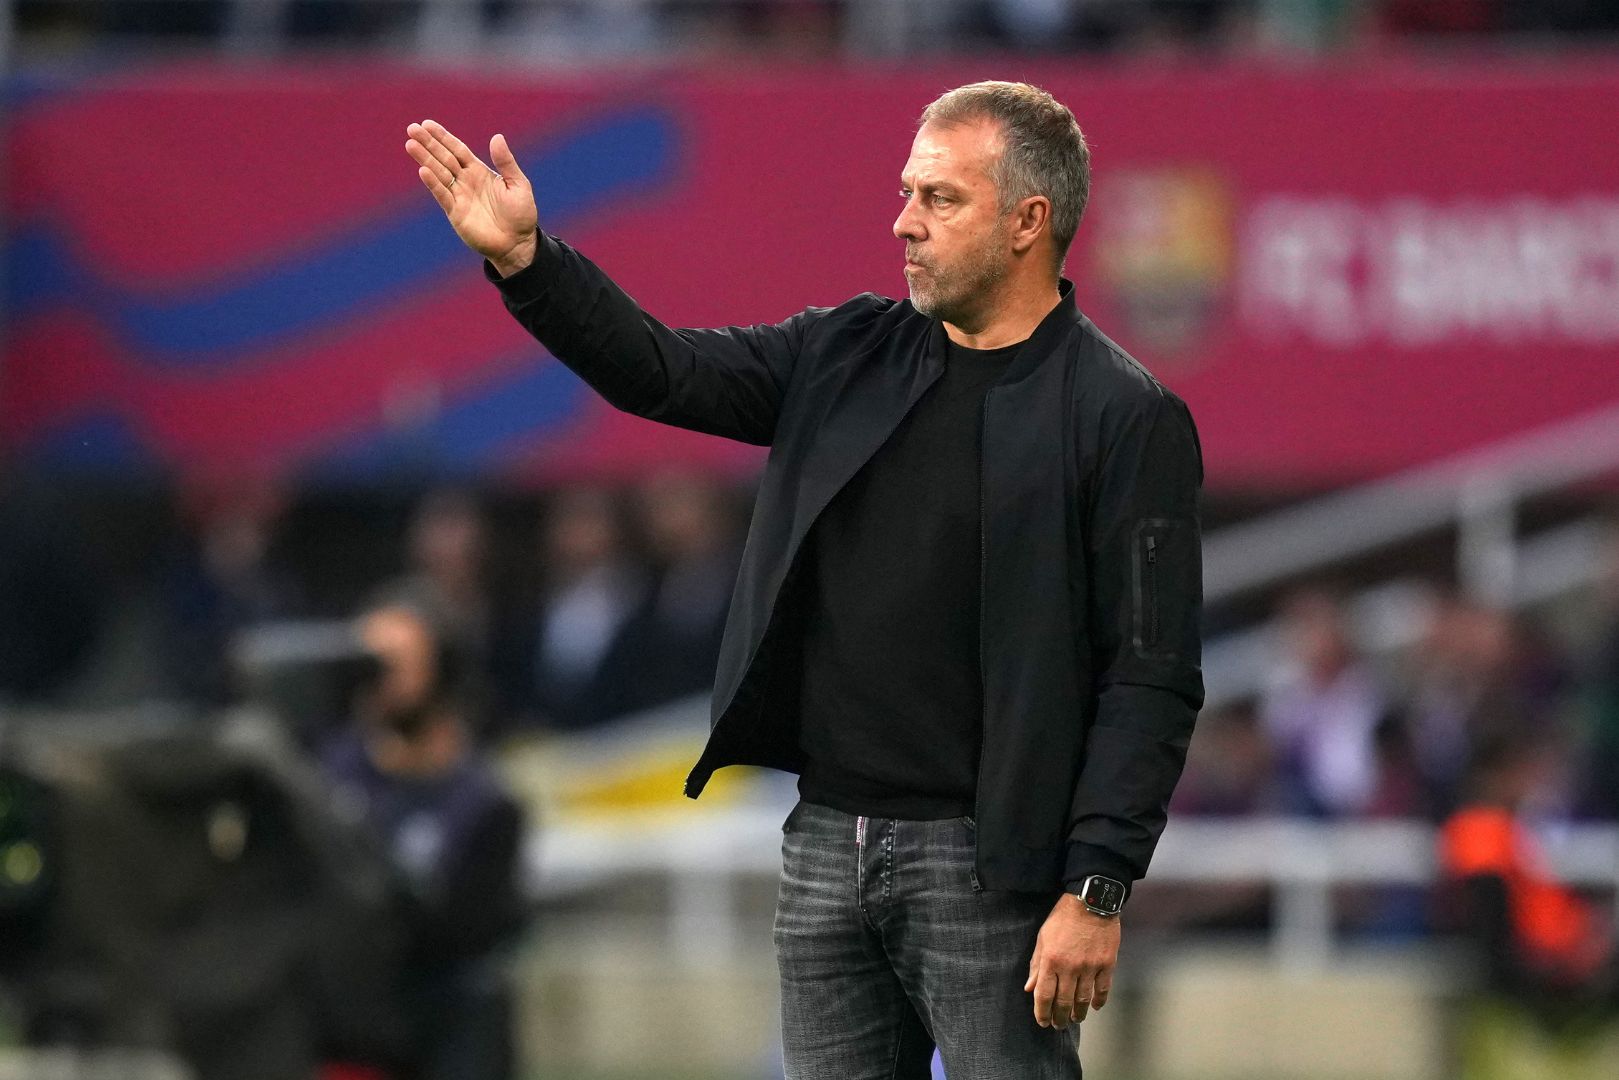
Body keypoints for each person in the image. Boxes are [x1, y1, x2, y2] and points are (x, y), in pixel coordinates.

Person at [405, 80, 1205, 1078]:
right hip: (824, 840)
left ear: (1026, 222)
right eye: (907, 192)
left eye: (939, 199)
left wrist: (1095, 891)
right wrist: (526, 263)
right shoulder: (845, 352)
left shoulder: (1125, 417)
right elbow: (661, 371)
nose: (902, 222)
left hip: (992, 869)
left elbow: (1150, 676)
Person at [322, 601, 529, 1080]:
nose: (375, 680)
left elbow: (468, 937)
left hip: (436, 1023)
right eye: (363, 663)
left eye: (392, 664)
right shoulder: (322, 779)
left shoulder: (484, 805)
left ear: (444, 671)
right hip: (342, 1022)